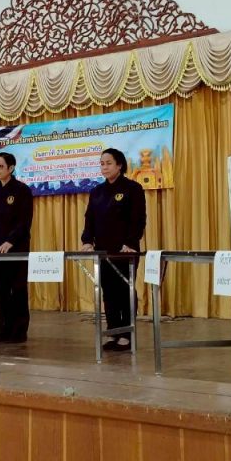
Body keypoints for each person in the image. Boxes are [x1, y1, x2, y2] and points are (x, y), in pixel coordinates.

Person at [81, 148, 146, 352]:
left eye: (109, 163)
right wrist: (87, 241)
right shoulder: (97, 192)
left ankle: (126, 335)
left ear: (120, 165)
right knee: (108, 292)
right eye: (102, 163)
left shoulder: (133, 188)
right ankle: (113, 332)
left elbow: (138, 219)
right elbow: (89, 219)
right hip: (103, 252)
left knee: (124, 291)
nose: (104, 167)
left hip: (125, 251)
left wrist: (130, 243)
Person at [0, 151, 34, 343]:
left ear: (11, 168)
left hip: (16, 248)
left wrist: (10, 241)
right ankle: (4, 328)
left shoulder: (22, 190)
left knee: (17, 289)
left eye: (0, 166)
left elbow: (24, 221)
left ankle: (19, 330)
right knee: (1, 290)